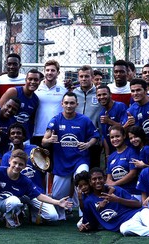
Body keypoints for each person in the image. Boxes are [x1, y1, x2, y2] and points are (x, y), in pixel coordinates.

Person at [43, 92, 100, 220]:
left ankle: (84, 214)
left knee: (83, 180)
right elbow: (43, 141)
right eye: (66, 103)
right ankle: (62, 214)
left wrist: (87, 144)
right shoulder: (55, 120)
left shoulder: (84, 120)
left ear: (76, 104)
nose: (69, 106)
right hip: (61, 162)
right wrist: (49, 140)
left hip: (80, 160)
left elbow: (95, 137)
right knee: (58, 194)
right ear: (62, 104)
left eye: (72, 103)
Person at [78, 167, 149, 237]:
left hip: (138, 213)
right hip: (126, 223)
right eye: (94, 179)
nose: (97, 181)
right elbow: (91, 223)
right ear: (90, 182)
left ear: (105, 179)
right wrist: (85, 227)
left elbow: (138, 204)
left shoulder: (116, 190)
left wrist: (117, 199)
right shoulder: (89, 201)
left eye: (100, 178)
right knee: (125, 229)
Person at [0, 69, 41, 140]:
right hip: (8, 135)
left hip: (23, 138)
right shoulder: (13, 91)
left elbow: (30, 121)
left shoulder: (36, 100)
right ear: (25, 80)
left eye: (36, 80)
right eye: (30, 79)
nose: (33, 82)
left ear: (39, 82)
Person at [73, 65, 102, 168]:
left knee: (93, 169)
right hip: (76, 138)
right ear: (78, 77)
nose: (84, 79)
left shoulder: (99, 93)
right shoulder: (73, 93)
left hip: (94, 140)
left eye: (86, 76)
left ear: (92, 77)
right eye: (81, 76)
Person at [33, 60, 67, 146]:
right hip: (38, 132)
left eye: (53, 70)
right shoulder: (36, 88)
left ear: (58, 73)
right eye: (47, 70)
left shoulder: (63, 90)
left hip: (57, 132)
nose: (49, 73)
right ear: (44, 72)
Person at [106, 125, 139, 196]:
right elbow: (109, 178)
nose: (115, 139)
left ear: (124, 136)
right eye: (112, 137)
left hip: (132, 193)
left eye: (117, 136)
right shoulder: (111, 157)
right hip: (116, 193)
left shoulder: (132, 152)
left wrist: (115, 184)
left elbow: (133, 174)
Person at [97, 84, 128, 155]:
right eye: (99, 95)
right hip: (112, 153)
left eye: (104, 94)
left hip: (124, 150)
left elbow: (126, 127)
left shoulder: (120, 106)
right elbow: (104, 136)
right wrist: (107, 155)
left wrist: (109, 121)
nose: (101, 97)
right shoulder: (101, 113)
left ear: (110, 95)